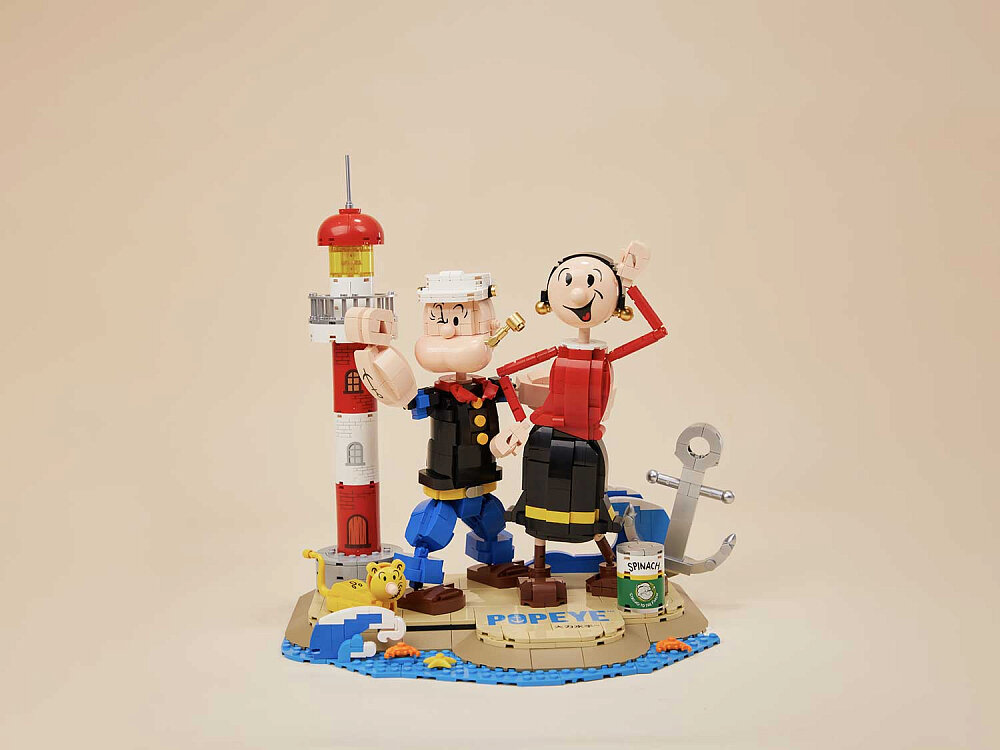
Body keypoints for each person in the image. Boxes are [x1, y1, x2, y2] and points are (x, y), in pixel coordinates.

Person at [492, 243, 667, 607]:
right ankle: (540, 570)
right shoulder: (559, 353)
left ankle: (609, 564)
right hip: (546, 439)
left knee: (590, 506)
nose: (578, 294)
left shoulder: (603, 357)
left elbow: (656, 330)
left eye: (590, 283)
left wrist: (628, 284)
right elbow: (505, 374)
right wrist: (522, 422)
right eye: (568, 282)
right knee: (540, 503)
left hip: (583, 444)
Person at [345, 270, 527, 615]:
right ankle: (416, 582)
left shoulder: (488, 388)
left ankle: (497, 565)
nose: (447, 330)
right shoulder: (439, 395)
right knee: (430, 531)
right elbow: (406, 397)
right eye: (438, 318)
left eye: (458, 319)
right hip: (446, 481)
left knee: (492, 522)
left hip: (482, 478)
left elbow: (522, 391)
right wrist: (377, 357)